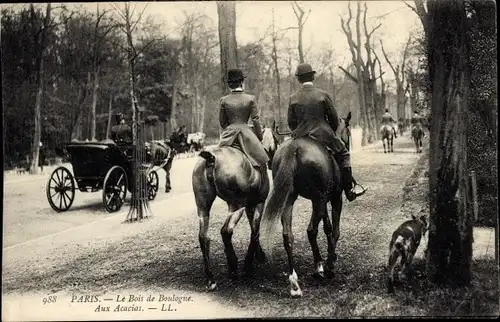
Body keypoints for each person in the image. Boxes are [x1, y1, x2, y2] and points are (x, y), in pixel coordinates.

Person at [287, 63, 365, 202]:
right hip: (323, 133)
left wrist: (299, 131)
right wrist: (330, 129)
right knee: (344, 154)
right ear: (313, 76)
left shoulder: (293, 98)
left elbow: (291, 123)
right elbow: (334, 120)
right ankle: (349, 190)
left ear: (299, 79)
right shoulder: (323, 95)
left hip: (300, 135)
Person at [218, 68, 269, 181]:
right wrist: (259, 137)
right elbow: (255, 120)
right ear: (241, 82)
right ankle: (263, 186)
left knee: (219, 157)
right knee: (261, 161)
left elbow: (222, 122)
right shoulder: (250, 99)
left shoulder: (224, 100)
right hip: (247, 134)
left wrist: (231, 128)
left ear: (229, 85)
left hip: (229, 135)